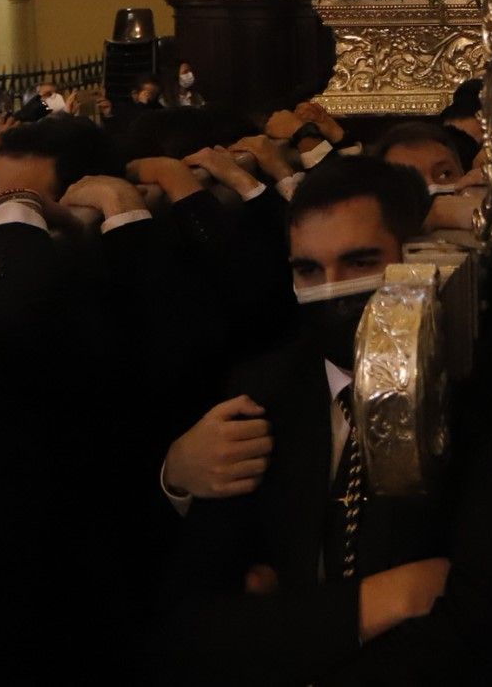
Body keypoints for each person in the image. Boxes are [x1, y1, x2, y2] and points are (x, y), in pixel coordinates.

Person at [159, 156, 444, 686]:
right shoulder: (262, 391)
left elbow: (480, 617)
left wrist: (283, 623)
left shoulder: (474, 393)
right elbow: (193, 626)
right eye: (308, 271)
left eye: (361, 263)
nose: (331, 291)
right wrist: (390, 598)